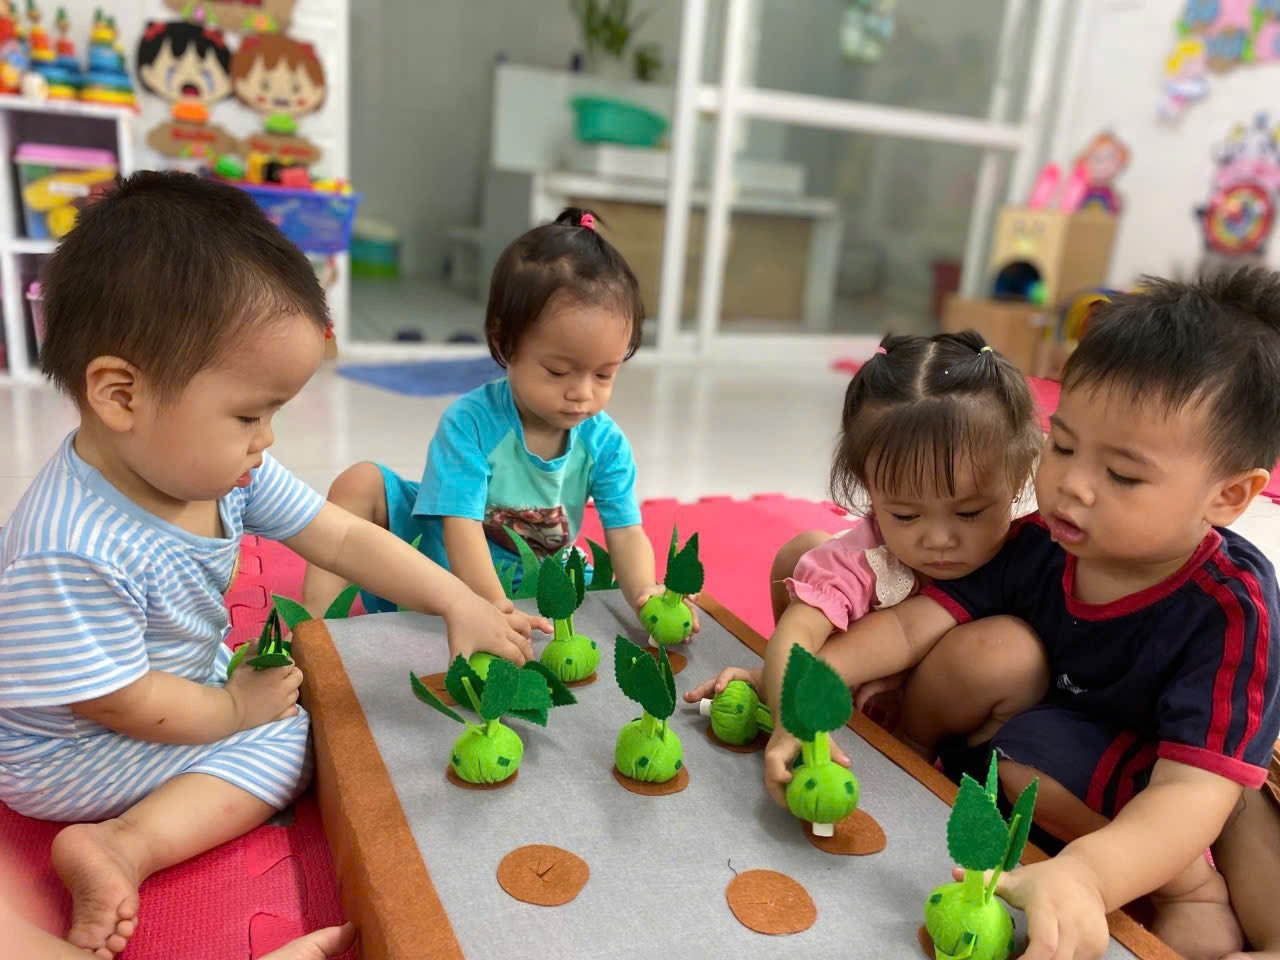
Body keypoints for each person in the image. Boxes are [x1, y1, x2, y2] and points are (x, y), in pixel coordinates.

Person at [0, 171, 536, 959]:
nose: (268, 439)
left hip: (164, 685)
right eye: (249, 414)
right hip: (70, 753)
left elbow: (340, 538)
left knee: (297, 698)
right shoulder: (70, 546)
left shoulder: (223, 469)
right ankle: (122, 844)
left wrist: (457, 599)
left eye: (273, 413)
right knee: (295, 743)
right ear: (120, 395)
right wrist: (230, 712)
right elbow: (114, 699)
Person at [806, 270, 1280, 960]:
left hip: (1187, 775)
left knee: (1244, 806)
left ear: (1229, 496)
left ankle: (1212, 904)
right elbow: (914, 625)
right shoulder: (1042, 543)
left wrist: (1090, 875)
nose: (1072, 485)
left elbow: (1194, 791)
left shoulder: (1233, 607)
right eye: (1062, 446)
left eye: (1122, 475)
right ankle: (1180, 885)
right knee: (1022, 753)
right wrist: (811, 681)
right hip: (1069, 750)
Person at [302, 208, 691, 635]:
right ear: (505, 342)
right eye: (558, 371)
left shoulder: (606, 444)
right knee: (359, 482)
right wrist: (491, 606)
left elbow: (626, 532)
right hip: (437, 568)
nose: (582, 392)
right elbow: (460, 525)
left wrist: (645, 595)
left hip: (533, 585)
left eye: (604, 375)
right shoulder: (469, 423)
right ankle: (311, 627)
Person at [686, 330, 1044, 790]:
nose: (939, 540)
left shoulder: (1039, 545)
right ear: (869, 489)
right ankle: (811, 698)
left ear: (1019, 477)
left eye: (969, 512)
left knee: (1010, 653)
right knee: (801, 555)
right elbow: (798, 631)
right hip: (861, 692)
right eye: (906, 515)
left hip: (955, 722)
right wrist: (791, 711)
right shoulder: (871, 558)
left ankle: (909, 749)